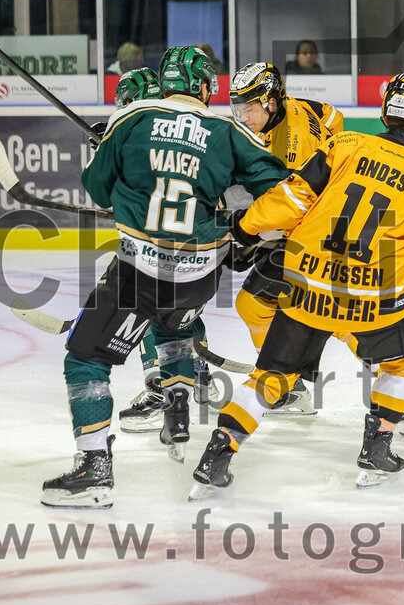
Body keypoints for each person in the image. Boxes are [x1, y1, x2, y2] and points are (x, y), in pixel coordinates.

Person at [40, 46, 289, 508]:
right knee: (173, 328)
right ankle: (176, 410)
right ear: (202, 87)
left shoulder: (132, 118)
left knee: (85, 359)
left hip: (142, 270)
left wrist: (112, 155)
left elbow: (97, 189)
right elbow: (284, 194)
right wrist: (244, 231)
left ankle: (94, 469)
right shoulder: (229, 130)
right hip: (200, 275)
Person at [189, 74, 404, 498]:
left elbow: (293, 198)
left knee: (270, 375)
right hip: (374, 295)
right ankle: (377, 448)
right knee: (403, 362)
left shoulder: (347, 144)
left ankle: (218, 453)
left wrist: (245, 228)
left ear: (386, 111)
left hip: (306, 279)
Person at [111, 67, 221, 434]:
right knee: (181, 314)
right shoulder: (185, 126)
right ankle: (198, 371)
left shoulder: (147, 134)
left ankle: (162, 391)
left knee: (149, 314)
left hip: (171, 249)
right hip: (206, 252)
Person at [228, 61, 342, 414]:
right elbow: (333, 116)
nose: (244, 116)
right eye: (239, 108)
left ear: (271, 102)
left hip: (321, 238)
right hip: (315, 228)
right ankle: (288, 384)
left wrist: (253, 238)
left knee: (340, 318)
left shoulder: (291, 144)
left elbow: (291, 207)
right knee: (254, 304)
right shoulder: (296, 108)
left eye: (249, 108)